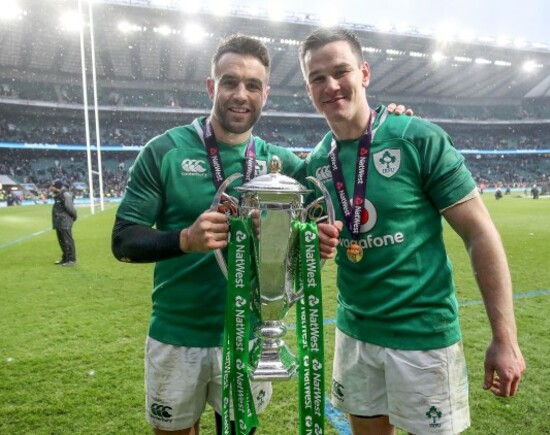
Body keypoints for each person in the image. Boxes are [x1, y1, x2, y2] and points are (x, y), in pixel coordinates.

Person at [111, 34, 405, 435]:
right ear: (211, 86)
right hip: (178, 335)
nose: (240, 94)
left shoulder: (281, 165)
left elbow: (321, 211)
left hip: (252, 337)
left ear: (265, 94)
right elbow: (124, 240)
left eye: (252, 86)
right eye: (229, 82)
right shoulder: (166, 151)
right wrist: (185, 239)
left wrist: (315, 241)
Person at [298, 27, 526, 434]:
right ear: (308, 88)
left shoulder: (417, 138)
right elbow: (289, 246)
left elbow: (480, 233)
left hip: (424, 337)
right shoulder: (314, 165)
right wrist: (310, 243)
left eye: (341, 71)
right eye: (318, 78)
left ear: (364, 73)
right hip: (355, 336)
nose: (331, 85)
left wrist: (504, 339)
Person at [51, 179, 77, 266]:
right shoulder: (58, 195)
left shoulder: (65, 195)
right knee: (62, 241)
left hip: (65, 221)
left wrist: (74, 216)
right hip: (59, 222)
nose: (51, 188)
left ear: (57, 187)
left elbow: (70, 208)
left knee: (68, 241)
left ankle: (72, 260)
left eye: (53, 186)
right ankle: (65, 259)